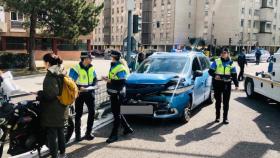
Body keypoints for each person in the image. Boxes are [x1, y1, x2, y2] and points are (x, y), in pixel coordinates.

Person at [37, 53, 68, 158]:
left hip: (52, 111)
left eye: (44, 62)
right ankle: (63, 154)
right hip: (62, 107)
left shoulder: (51, 75)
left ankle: (54, 156)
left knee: (52, 135)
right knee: (61, 133)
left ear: (48, 63)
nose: (44, 64)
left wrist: (40, 94)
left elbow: (50, 95)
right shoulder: (61, 71)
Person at [102, 50, 133, 143]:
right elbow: (115, 78)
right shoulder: (115, 66)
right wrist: (108, 79)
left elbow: (122, 81)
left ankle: (114, 135)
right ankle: (127, 128)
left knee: (116, 115)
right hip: (114, 93)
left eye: (110, 56)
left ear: (113, 57)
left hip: (118, 94)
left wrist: (109, 81)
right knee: (117, 113)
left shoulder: (120, 67)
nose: (109, 58)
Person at [68, 51, 97, 141]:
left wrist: (95, 85)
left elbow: (95, 78)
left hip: (90, 93)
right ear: (85, 59)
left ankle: (88, 133)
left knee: (92, 112)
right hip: (80, 94)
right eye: (90, 58)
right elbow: (70, 82)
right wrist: (79, 87)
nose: (91, 59)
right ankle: (77, 135)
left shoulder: (91, 67)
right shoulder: (76, 68)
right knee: (78, 114)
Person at [209, 48, 239, 124]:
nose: (223, 54)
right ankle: (217, 117)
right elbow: (210, 71)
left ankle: (225, 118)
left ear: (228, 53)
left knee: (226, 102)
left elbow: (234, 74)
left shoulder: (231, 63)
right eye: (222, 52)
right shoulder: (216, 61)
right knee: (218, 101)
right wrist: (215, 75)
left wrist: (236, 84)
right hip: (218, 83)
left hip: (227, 84)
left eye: (225, 52)